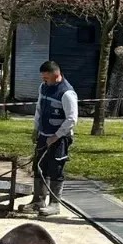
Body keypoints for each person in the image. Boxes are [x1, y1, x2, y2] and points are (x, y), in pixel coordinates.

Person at [30, 60, 78, 218]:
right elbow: (39, 109)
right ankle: (38, 200)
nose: (44, 81)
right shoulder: (43, 87)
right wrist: (36, 129)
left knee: (55, 169)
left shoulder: (67, 93)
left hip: (60, 138)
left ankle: (55, 203)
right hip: (43, 135)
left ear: (56, 75)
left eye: (46, 78)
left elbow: (72, 119)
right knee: (38, 165)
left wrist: (56, 136)